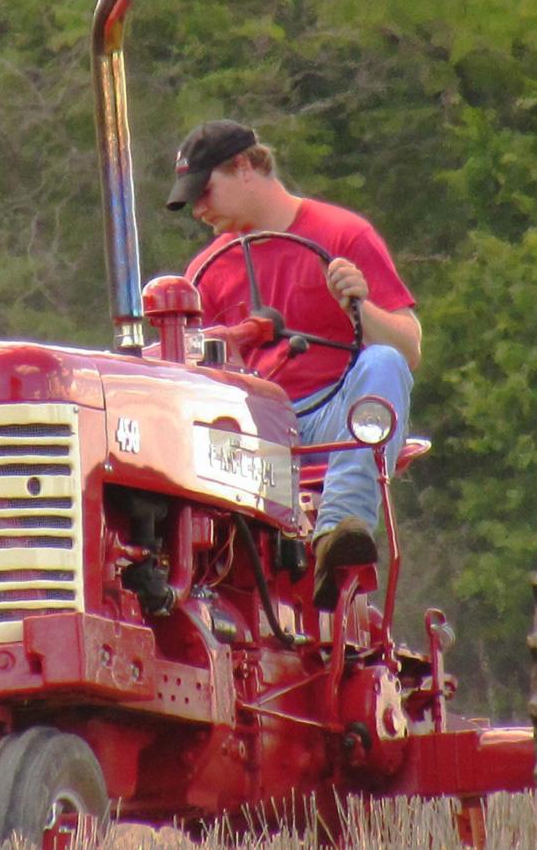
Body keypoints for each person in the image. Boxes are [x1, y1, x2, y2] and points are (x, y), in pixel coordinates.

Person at [166, 119, 422, 611]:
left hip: (332, 419)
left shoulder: (343, 235)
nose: (198, 209)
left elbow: (410, 350)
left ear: (244, 168)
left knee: (384, 360)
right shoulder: (208, 272)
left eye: (205, 191)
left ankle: (339, 536)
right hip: (255, 430)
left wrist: (359, 309)